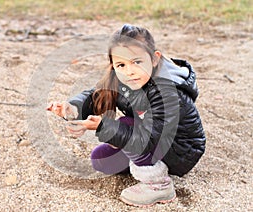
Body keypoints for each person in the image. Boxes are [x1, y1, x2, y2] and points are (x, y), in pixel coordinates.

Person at [48, 24, 206, 207]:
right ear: (113, 66)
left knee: (125, 126)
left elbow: (150, 138)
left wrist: (103, 127)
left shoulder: (168, 93)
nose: (129, 71)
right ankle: (144, 163)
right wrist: (71, 108)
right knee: (101, 160)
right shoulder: (123, 79)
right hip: (148, 135)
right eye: (121, 64)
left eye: (137, 62)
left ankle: (159, 185)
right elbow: (94, 96)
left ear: (154, 59)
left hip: (180, 150)